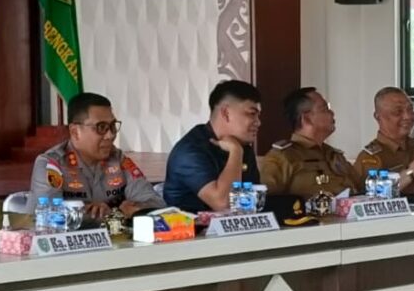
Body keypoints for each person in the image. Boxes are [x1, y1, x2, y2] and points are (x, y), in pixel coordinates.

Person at [29, 92, 165, 220]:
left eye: (112, 126)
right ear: (75, 132)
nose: (110, 135)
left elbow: (157, 203)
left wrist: (128, 210)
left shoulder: (118, 159)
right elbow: (45, 215)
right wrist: (110, 214)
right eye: (101, 127)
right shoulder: (51, 163)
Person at [164, 80, 262, 213]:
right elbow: (224, 204)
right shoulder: (190, 151)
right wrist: (236, 152)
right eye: (252, 114)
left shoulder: (243, 148)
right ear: (226, 113)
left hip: (232, 225)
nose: (258, 122)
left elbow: (248, 206)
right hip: (188, 226)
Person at [261, 87, 361, 197]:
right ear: (307, 119)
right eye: (325, 109)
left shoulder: (334, 155)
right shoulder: (282, 158)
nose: (332, 113)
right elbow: (267, 201)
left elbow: (361, 188)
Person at [355, 87, 414, 194]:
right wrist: (411, 173)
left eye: (410, 110)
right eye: (397, 112)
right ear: (378, 117)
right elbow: (372, 195)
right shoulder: (370, 158)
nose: (407, 116)